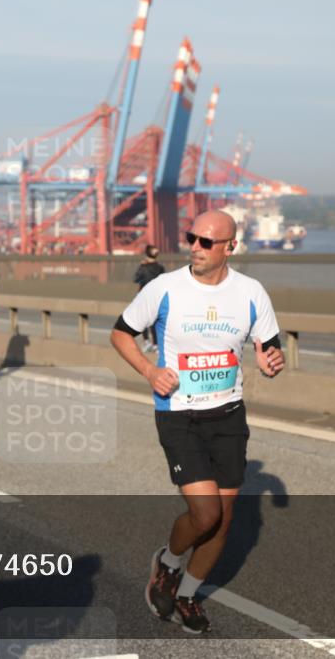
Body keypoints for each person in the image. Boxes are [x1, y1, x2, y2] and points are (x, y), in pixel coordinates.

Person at [110, 210, 285, 634]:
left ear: (230, 247)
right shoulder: (165, 287)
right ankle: (168, 561)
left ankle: (187, 594)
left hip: (227, 414)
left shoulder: (250, 292)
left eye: (207, 242)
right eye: (193, 237)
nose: (195, 247)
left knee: (223, 520)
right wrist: (151, 372)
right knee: (204, 514)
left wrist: (271, 360)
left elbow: (270, 346)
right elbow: (120, 333)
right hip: (179, 414)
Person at [133, 244, 165, 353]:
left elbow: (135, 279)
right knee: (155, 321)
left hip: (143, 296)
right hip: (156, 296)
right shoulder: (160, 268)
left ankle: (146, 341)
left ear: (146, 254)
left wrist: (141, 266)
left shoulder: (143, 267)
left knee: (143, 320)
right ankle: (156, 345)